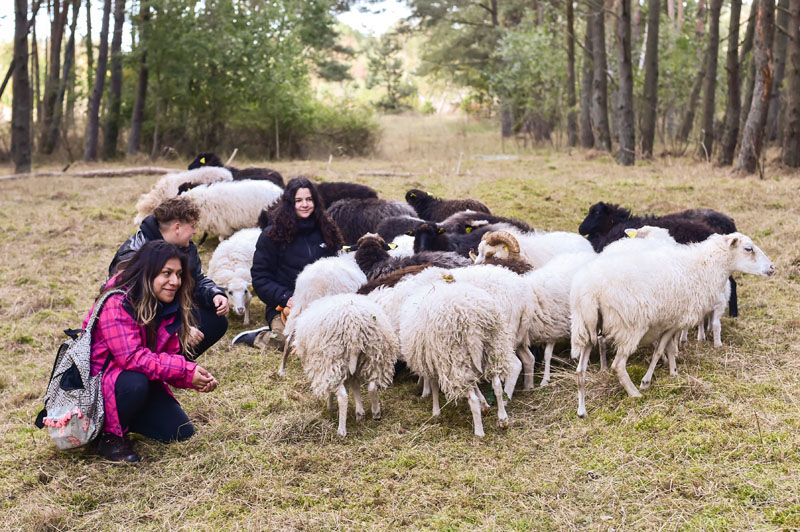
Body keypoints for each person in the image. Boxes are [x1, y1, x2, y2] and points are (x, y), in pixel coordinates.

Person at [90, 241, 218, 462]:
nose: (175, 281)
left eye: (178, 274)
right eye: (166, 273)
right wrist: (186, 371)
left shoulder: (165, 305)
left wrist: (194, 379)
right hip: (100, 385)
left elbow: (167, 358)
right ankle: (108, 436)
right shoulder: (117, 302)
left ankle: (127, 417)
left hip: (133, 380)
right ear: (147, 272)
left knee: (180, 431)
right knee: (135, 382)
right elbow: (131, 358)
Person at [109, 196, 229, 358]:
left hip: (168, 310)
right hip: (135, 324)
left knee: (215, 320)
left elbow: (196, 280)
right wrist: (178, 329)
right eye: (192, 226)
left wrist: (214, 293)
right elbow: (131, 306)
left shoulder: (185, 247)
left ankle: (174, 366)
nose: (195, 231)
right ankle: (155, 368)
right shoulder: (133, 255)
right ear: (177, 227)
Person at [233, 177, 344, 348]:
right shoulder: (272, 235)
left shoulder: (327, 230)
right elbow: (260, 277)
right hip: (284, 305)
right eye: (298, 200)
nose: (304, 205)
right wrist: (285, 297)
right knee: (293, 342)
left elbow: (337, 267)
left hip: (321, 302)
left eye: (309, 199)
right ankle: (258, 337)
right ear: (289, 203)